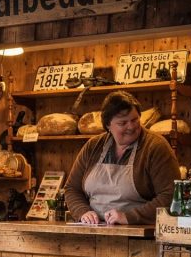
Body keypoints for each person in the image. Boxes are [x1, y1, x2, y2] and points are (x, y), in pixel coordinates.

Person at [64, 91, 180, 225]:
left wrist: (129, 217)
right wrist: (82, 211)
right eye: (123, 123)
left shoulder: (155, 147)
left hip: (139, 233)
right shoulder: (93, 146)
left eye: (135, 120)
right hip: (93, 230)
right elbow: (72, 188)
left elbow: (171, 196)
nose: (131, 127)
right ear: (108, 125)